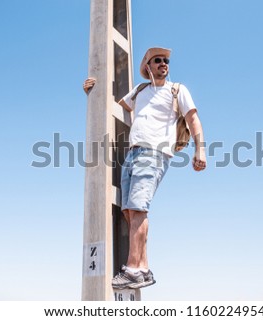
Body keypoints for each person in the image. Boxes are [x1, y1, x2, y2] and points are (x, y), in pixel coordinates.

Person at [83, 47, 206, 289]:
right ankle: (144, 268)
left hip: (155, 152)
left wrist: (200, 150)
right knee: (129, 211)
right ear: (147, 66)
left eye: (166, 61)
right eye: (158, 60)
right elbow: (114, 106)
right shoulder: (139, 91)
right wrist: (92, 91)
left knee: (139, 207)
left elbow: (193, 119)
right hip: (133, 153)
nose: (163, 64)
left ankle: (132, 270)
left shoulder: (177, 90)